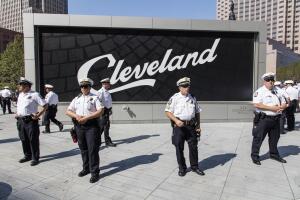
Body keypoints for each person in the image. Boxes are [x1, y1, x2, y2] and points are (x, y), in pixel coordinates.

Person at [66, 78, 104, 183]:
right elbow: (68, 111)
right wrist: (76, 116)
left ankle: (95, 172)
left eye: (86, 86)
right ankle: (86, 168)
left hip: (91, 127)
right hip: (79, 127)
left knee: (92, 150)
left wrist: (86, 118)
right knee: (83, 149)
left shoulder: (95, 98)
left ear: (90, 87)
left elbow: (100, 111)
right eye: (82, 87)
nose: (83, 88)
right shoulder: (77, 98)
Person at [165, 77, 205, 177]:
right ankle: (182, 168)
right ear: (179, 87)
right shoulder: (174, 98)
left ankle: (195, 166)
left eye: (188, 86)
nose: (186, 88)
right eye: (184, 86)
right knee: (179, 148)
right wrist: (176, 120)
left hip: (191, 126)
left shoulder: (193, 97)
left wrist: (198, 126)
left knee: (193, 147)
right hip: (179, 127)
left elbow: (197, 112)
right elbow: (167, 112)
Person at [251, 73, 287, 165]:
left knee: (275, 138)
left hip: (276, 119)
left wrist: (282, 106)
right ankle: (255, 156)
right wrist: (272, 108)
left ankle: (274, 154)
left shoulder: (278, 90)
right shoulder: (260, 91)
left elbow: (284, 101)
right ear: (265, 81)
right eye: (268, 80)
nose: (271, 82)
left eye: (272, 80)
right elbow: (257, 104)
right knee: (258, 138)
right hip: (264, 119)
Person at [16, 77, 47, 166]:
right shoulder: (20, 95)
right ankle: (27, 155)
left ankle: (35, 158)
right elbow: (20, 107)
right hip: (21, 120)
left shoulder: (35, 94)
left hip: (30, 120)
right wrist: (17, 113)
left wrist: (38, 115)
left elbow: (45, 105)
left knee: (33, 139)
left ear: (26, 86)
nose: (19, 86)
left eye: (21, 85)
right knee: (23, 139)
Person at [97, 78, 116, 147]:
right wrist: (103, 111)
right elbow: (98, 102)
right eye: (108, 84)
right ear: (104, 84)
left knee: (104, 127)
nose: (109, 85)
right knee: (104, 127)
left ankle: (97, 140)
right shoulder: (100, 92)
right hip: (103, 112)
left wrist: (110, 109)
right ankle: (106, 141)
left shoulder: (107, 91)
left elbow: (108, 102)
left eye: (109, 83)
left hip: (107, 111)